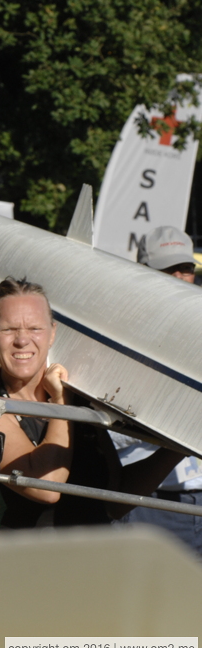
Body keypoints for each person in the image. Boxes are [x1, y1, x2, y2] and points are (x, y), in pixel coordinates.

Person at [0, 277, 184, 532]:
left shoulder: (79, 399)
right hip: (23, 565)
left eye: (34, 328)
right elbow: (47, 486)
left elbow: (114, 499)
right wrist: (61, 403)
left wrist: (182, 445)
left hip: (91, 561)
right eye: (8, 330)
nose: (22, 340)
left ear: (53, 333)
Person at [111, 227, 202, 554]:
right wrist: (175, 419)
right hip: (149, 503)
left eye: (186, 268)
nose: (180, 277)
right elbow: (106, 426)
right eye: (168, 270)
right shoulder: (118, 336)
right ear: (144, 273)